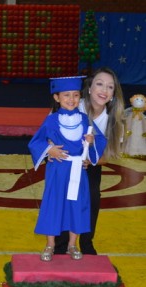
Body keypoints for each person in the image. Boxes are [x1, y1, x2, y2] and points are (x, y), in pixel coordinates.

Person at [28, 76, 107, 261]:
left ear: (80, 97)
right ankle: (50, 244)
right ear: (57, 98)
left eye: (75, 95)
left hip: (78, 170)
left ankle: (72, 245)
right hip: (57, 171)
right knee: (53, 205)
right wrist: (49, 150)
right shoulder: (51, 121)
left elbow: (100, 139)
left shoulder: (85, 120)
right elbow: (36, 142)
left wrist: (92, 141)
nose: (71, 99)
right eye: (66, 95)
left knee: (76, 206)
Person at [53, 67, 125, 255]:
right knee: (63, 199)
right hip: (64, 161)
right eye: (99, 84)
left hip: (91, 164)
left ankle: (85, 243)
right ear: (90, 88)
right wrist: (52, 150)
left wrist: (91, 161)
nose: (104, 90)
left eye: (110, 87)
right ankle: (60, 246)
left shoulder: (114, 120)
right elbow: (49, 132)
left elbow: (108, 156)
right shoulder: (72, 103)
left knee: (91, 199)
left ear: (113, 94)